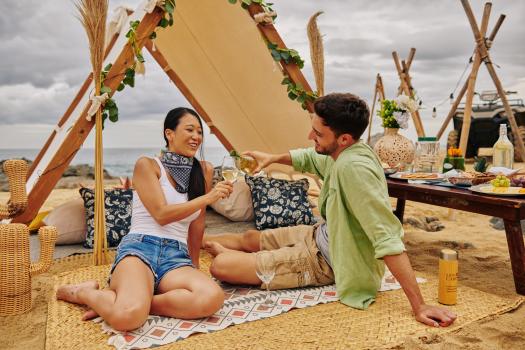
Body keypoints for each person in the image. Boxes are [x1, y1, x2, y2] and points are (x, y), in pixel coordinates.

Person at [204, 93, 457, 327]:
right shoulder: (346, 151)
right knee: (250, 238)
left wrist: (419, 305)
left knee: (222, 266)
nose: (309, 136)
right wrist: (272, 158)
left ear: (344, 138)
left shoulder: (355, 170)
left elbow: (387, 237)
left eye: (317, 133)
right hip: (322, 234)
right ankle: (193, 243)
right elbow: (312, 157)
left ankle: (237, 255)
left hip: (327, 260)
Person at [57, 107, 233, 331]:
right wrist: (208, 198)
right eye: (190, 130)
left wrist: (194, 264)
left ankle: (130, 300)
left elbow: (197, 223)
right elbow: (161, 215)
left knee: (211, 297)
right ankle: (84, 292)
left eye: (200, 132)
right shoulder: (147, 165)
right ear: (169, 133)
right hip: (140, 249)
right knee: (128, 318)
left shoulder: (204, 170)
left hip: (175, 257)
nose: (196, 137)